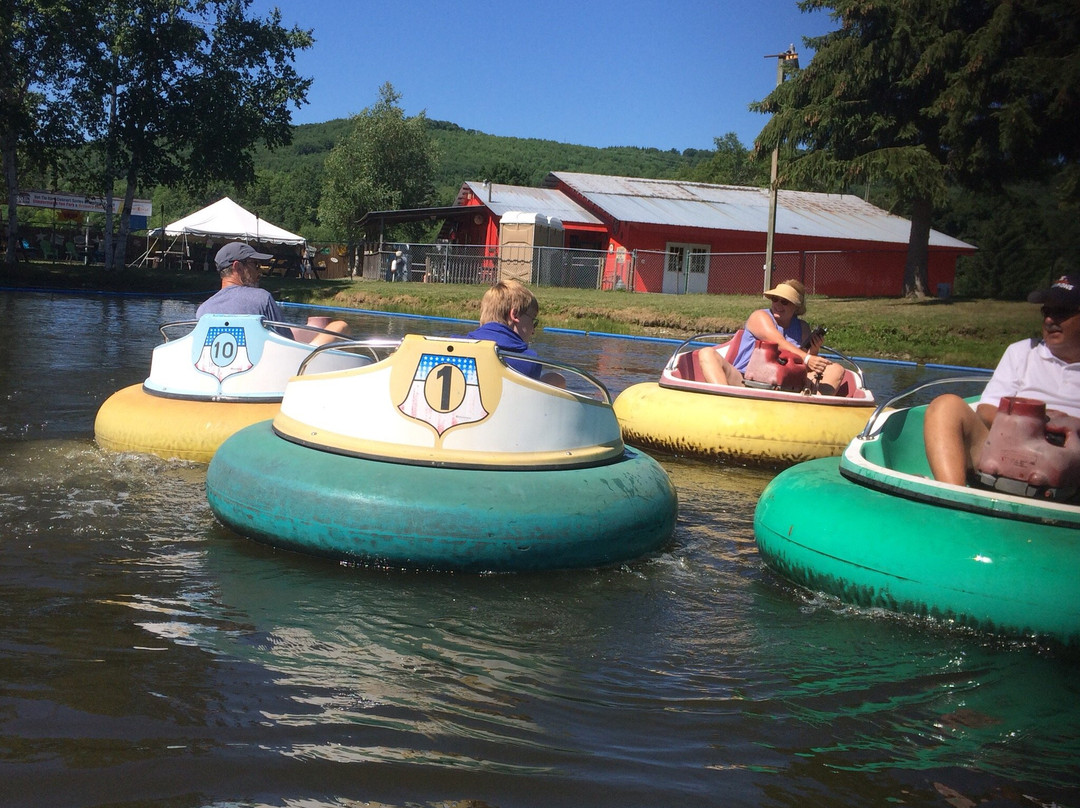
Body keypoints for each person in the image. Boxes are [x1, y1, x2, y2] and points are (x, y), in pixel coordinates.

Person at [923, 273, 1080, 485]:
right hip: (1008, 451)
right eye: (1046, 311)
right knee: (945, 406)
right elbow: (986, 410)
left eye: (1061, 312)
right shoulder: (1022, 352)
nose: (1050, 320)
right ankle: (953, 499)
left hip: (1074, 463)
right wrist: (1038, 424)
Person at [697, 279, 845, 394]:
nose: (778, 304)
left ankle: (813, 410)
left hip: (787, 383)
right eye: (775, 299)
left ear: (796, 307)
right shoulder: (759, 317)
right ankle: (726, 400)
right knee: (706, 353)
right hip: (745, 381)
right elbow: (777, 342)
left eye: (785, 301)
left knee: (836, 369)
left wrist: (813, 351)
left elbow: (804, 367)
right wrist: (807, 357)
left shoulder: (803, 327)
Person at [196, 242, 349, 346]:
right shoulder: (262, 298)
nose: (259, 271)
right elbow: (287, 344)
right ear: (238, 267)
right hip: (269, 374)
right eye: (255, 265)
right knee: (340, 325)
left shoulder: (203, 310)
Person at [466, 279, 565, 388]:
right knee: (556, 379)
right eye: (532, 321)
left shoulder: (454, 348)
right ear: (515, 315)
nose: (533, 331)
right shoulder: (528, 360)